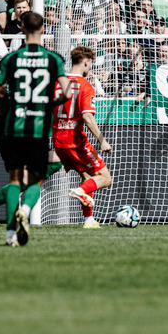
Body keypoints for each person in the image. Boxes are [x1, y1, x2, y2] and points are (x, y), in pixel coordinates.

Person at [0, 12, 70, 246]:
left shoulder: (11, 58)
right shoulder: (54, 59)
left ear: (21, 28)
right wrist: (47, 104)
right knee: (35, 181)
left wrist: (6, 95)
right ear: (43, 29)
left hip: (15, 125)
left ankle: (10, 234)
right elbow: (68, 92)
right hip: (39, 128)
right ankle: (25, 208)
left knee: (14, 180)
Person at [53, 46, 113, 229]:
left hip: (58, 142)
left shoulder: (57, 83)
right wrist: (102, 140)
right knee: (105, 178)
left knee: (88, 177)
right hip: (76, 142)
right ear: (86, 62)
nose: (90, 68)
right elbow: (87, 116)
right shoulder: (86, 86)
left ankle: (88, 220)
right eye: (90, 64)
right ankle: (79, 192)